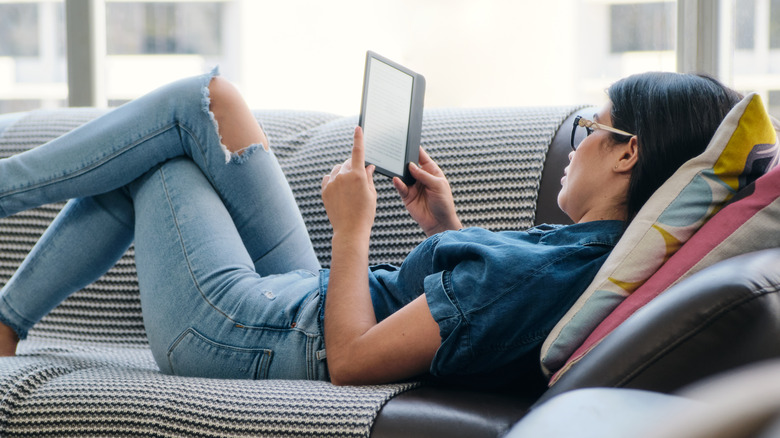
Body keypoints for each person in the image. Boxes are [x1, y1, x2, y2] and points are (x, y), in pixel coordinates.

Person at [0, 68, 742, 387]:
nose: (577, 141)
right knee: (214, 102)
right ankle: (5, 325)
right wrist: (444, 223)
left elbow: (351, 361)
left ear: (627, 156)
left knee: (166, 160)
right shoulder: (591, 253)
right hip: (300, 304)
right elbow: (476, 306)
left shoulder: (552, 275)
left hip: (259, 337)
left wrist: (354, 228)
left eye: (592, 127)